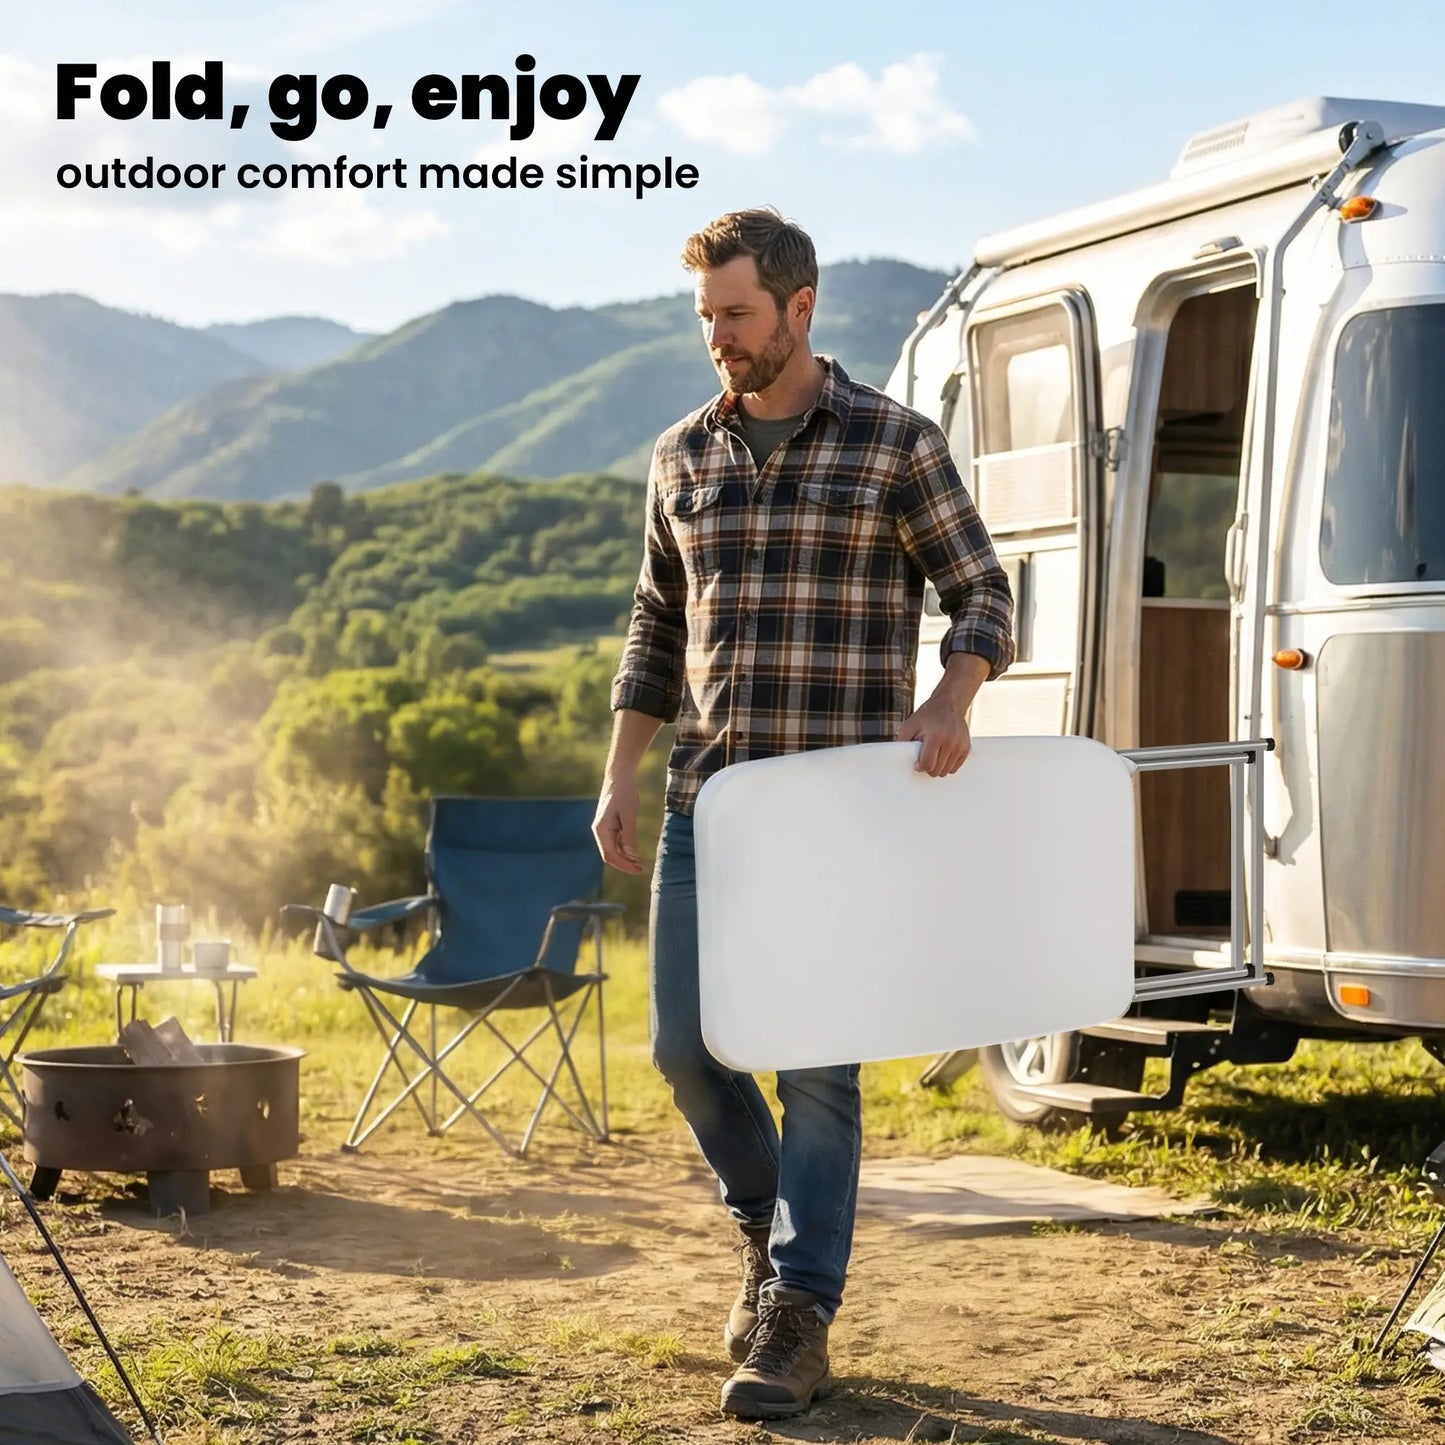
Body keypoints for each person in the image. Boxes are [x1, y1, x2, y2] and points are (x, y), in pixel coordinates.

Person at [594, 207, 1015, 1420]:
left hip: (837, 815)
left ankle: (798, 1312)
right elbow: (653, 629)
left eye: (735, 313)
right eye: (706, 318)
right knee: (685, 1046)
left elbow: (979, 588)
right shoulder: (680, 453)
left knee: (815, 1072)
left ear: (799, 304)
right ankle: (769, 1236)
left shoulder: (894, 444)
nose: (718, 338)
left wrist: (951, 694)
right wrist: (618, 773)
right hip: (705, 804)